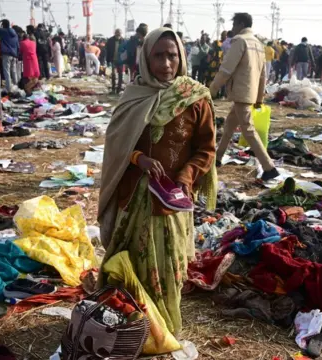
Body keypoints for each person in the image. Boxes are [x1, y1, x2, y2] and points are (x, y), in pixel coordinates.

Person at [98, 27, 217, 337]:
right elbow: (118, 144)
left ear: (182, 58)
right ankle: (131, 321)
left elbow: (207, 149)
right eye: (159, 56)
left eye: (172, 56)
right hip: (137, 194)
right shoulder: (135, 95)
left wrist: (186, 175)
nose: (166, 63)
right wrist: (140, 159)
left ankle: (160, 326)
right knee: (132, 259)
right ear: (146, 58)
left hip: (172, 198)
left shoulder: (195, 98)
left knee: (169, 265)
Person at [210, 13, 279, 181]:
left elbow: (226, 70)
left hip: (241, 92)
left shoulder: (240, 41)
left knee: (248, 130)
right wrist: (259, 97)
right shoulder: (257, 43)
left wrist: (210, 91)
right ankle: (218, 158)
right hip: (250, 92)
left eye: (234, 24)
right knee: (229, 126)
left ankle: (269, 167)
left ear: (240, 24)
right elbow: (263, 74)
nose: (232, 28)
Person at [0, 19, 19, 91]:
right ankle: (16, 86)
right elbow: (18, 45)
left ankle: (9, 88)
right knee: (14, 71)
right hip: (14, 54)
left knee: (6, 71)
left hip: (6, 54)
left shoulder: (4, 31)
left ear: (3, 25)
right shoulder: (15, 33)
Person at [20, 26, 40, 93]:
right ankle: (30, 89)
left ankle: (27, 89)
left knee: (29, 75)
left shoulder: (22, 43)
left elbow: (21, 51)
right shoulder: (33, 42)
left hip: (27, 60)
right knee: (34, 75)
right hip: (34, 59)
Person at [106, 28, 124, 93]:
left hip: (121, 61)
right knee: (113, 74)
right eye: (117, 32)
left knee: (120, 75)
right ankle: (113, 88)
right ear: (115, 33)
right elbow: (107, 51)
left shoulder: (123, 40)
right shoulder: (110, 40)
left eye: (119, 33)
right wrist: (108, 61)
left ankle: (119, 89)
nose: (118, 34)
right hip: (113, 60)